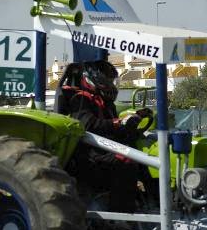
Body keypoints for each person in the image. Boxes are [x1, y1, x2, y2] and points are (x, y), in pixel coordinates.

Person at [64, 58, 152, 212]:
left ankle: (152, 202)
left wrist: (132, 122)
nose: (112, 84)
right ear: (97, 80)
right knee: (127, 161)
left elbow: (112, 126)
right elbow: (88, 125)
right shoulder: (79, 99)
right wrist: (118, 123)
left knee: (145, 156)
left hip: (104, 149)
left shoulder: (105, 101)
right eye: (110, 80)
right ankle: (121, 214)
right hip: (89, 154)